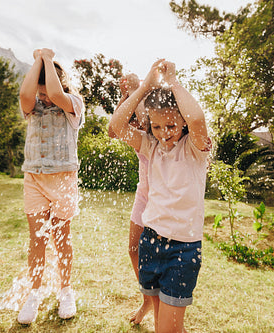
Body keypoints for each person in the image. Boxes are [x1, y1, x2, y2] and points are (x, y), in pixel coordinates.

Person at [110, 59, 211, 333]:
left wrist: (173, 81)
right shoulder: (150, 146)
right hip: (151, 242)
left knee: (166, 330)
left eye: (171, 126)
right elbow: (118, 127)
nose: (164, 134)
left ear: (183, 123)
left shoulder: (194, 150)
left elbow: (198, 119)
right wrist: (144, 88)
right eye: (156, 127)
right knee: (163, 325)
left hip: (183, 250)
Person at [17, 48, 84, 324]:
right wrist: (37, 62)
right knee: (37, 239)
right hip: (34, 178)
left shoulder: (73, 104)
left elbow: (57, 95)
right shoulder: (32, 107)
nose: (43, 97)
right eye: (41, 92)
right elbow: (24, 95)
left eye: (45, 91)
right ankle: (34, 293)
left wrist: (46, 58)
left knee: (61, 238)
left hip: (63, 179)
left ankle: (65, 290)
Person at [108, 73, 152, 324]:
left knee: (158, 256)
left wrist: (139, 89)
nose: (134, 123)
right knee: (133, 249)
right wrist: (127, 97)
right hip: (143, 194)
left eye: (136, 118)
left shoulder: (153, 129)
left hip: (162, 198)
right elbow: (113, 129)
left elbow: (146, 119)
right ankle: (147, 299)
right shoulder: (135, 130)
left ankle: (163, 310)